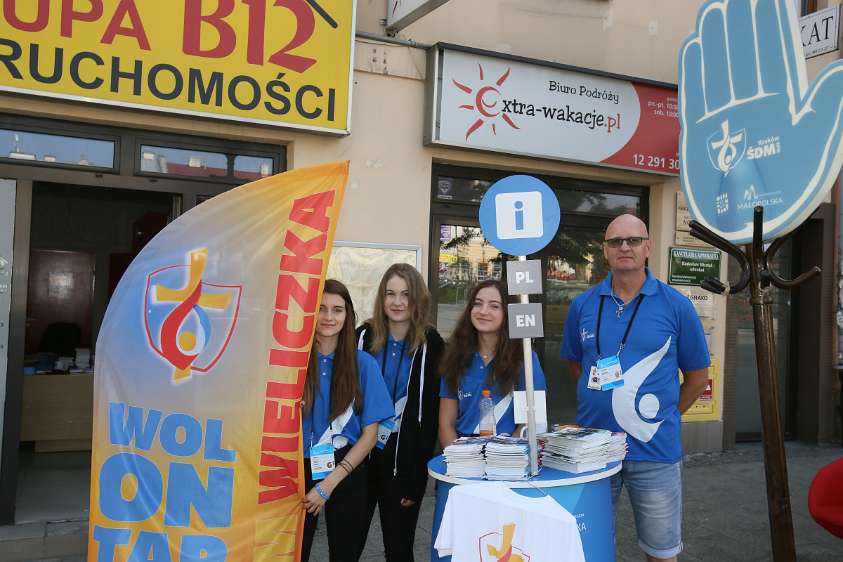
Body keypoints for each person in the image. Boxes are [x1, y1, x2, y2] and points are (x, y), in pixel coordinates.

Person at [561, 214, 710, 562]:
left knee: (661, 551)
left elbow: (698, 377)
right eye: (615, 241)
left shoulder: (676, 306)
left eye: (632, 240)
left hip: (653, 450)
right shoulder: (582, 304)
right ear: (604, 251)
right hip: (593, 449)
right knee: (588, 546)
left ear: (647, 246)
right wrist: (603, 399)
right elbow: (576, 364)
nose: (624, 247)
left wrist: (665, 415)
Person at [356, 263, 445, 561]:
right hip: (358, 458)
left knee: (399, 549)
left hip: (402, 462)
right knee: (346, 547)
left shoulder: (431, 344)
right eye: (390, 293)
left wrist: (418, 477)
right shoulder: (362, 338)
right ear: (382, 298)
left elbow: (430, 417)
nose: (397, 302)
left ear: (417, 298)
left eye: (406, 294)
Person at [301, 279, 393, 562]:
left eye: (337, 310)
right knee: (293, 552)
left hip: (347, 467)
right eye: (321, 309)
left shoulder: (364, 364)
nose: (329, 317)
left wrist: (328, 485)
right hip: (298, 467)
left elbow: (370, 435)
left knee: (345, 554)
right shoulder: (294, 362)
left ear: (348, 315)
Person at [439, 278, 546, 446]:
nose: (483, 311)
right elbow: (446, 424)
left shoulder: (525, 358)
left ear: (507, 313)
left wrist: (504, 457)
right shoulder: (455, 357)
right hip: (462, 457)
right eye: (478, 303)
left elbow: (530, 423)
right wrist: (458, 460)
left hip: (507, 456)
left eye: (494, 306)